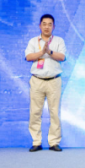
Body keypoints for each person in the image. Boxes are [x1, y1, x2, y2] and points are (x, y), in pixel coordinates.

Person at [25, 14, 66, 152]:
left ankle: (54, 142)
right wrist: (41, 52)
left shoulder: (59, 41)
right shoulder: (33, 41)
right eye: (44, 24)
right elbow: (28, 57)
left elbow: (62, 57)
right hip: (37, 80)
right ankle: (36, 141)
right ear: (39, 26)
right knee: (35, 112)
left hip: (54, 80)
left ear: (53, 26)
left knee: (54, 112)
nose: (47, 27)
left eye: (50, 24)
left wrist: (49, 51)